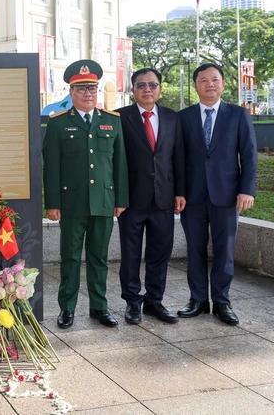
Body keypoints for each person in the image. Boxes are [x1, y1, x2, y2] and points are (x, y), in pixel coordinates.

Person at [43, 60, 128, 329]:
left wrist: (121, 200)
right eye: (81, 89)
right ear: (71, 93)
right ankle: (67, 308)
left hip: (103, 201)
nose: (88, 94)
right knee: (69, 257)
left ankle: (99, 307)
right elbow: (51, 166)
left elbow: (120, 165)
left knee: (99, 257)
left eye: (92, 88)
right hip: (71, 203)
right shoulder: (58, 124)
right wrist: (53, 203)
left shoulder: (111, 122)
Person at [178, 63, 257, 325]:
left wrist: (247, 190)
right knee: (195, 250)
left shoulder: (238, 115)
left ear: (223, 84)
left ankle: (222, 301)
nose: (209, 84)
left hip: (227, 195)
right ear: (195, 86)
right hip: (193, 196)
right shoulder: (184, 117)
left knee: (225, 251)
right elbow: (178, 158)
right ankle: (198, 300)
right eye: (203, 80)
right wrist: (179, 192)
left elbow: (248, 155)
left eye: (215, 79)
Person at [115, 68, 186, 325]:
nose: (147, 89)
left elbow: (178, 157)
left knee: (160, 253)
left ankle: (155, 301)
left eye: (152, 85)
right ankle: (132, 302)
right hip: (131, 199)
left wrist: (180, 192)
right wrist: (118, 197)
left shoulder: (171, 117)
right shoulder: (120, 117)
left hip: (164, 198)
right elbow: (115, 159)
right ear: (133, 89)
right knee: (131, 253)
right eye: (141, 85)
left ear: (160, 89)